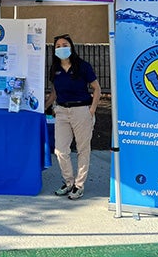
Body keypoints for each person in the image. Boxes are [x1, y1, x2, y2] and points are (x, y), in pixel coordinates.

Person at [45, 33, 101, 200]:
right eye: (58, 46)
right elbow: (54, 92)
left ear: (71, 47)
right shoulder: (54, 69)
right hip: (62, 111)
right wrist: (45, 107)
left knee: (83, 150)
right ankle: (68, 182)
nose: (62, 48)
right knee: (60, 150)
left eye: (65, 45)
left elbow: (96, 88)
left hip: (81, 110)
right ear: (54, 50)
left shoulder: (82, 66)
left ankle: (79, 185)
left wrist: (91, 110)